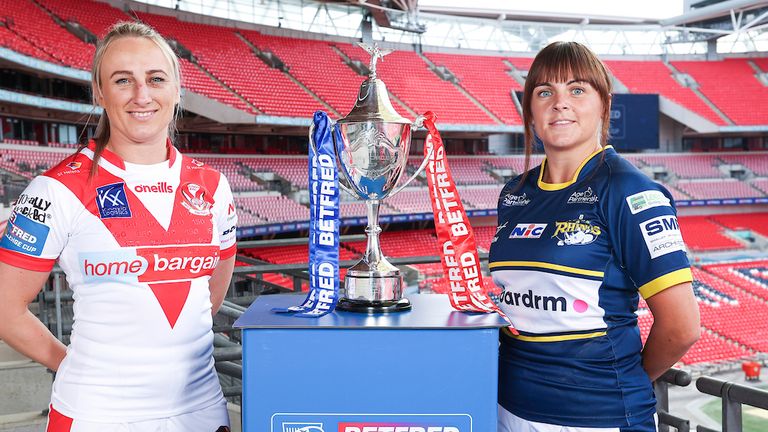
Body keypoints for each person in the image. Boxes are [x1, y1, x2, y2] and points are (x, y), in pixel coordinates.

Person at [0, 22, 237, 432]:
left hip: (201, 409)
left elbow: (209, 296)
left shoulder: (213, 186)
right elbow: (5, 308)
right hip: (97, 414)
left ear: (177, 89)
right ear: (99, 91)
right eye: (123, 80)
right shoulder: (55, 189)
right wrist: (71, 364)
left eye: (156, 78)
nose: (141, 95)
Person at [489, 41, 700, 432]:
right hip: (508, 410)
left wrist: (616, 381)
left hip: (597, 417)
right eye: (545, 91)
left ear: (603, 105)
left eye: (577, 89)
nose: (560, 103)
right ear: (530, 110)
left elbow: (683, 327)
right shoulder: (513, 194)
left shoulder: (630, 191)